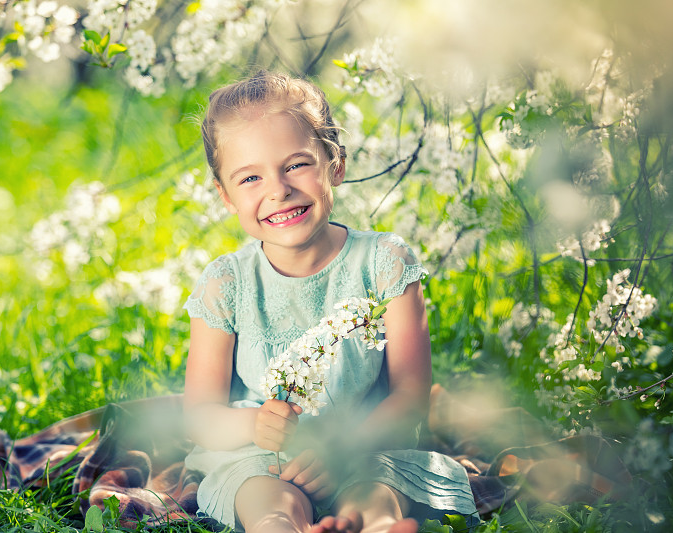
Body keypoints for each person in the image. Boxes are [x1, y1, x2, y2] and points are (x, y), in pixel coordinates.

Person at [182, 71, 477, 533]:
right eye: (251, 177)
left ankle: (374, 526)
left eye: (296, 165)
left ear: (334, 163)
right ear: (224, 195)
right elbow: (201, 415)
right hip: (268, 460)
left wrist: (342, 451)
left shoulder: (384, 263)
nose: (277, 189)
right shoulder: (227, 283)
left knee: (376, 494)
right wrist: (254, 426)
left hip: (370, 449)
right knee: (269, 504)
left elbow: (409, 398)